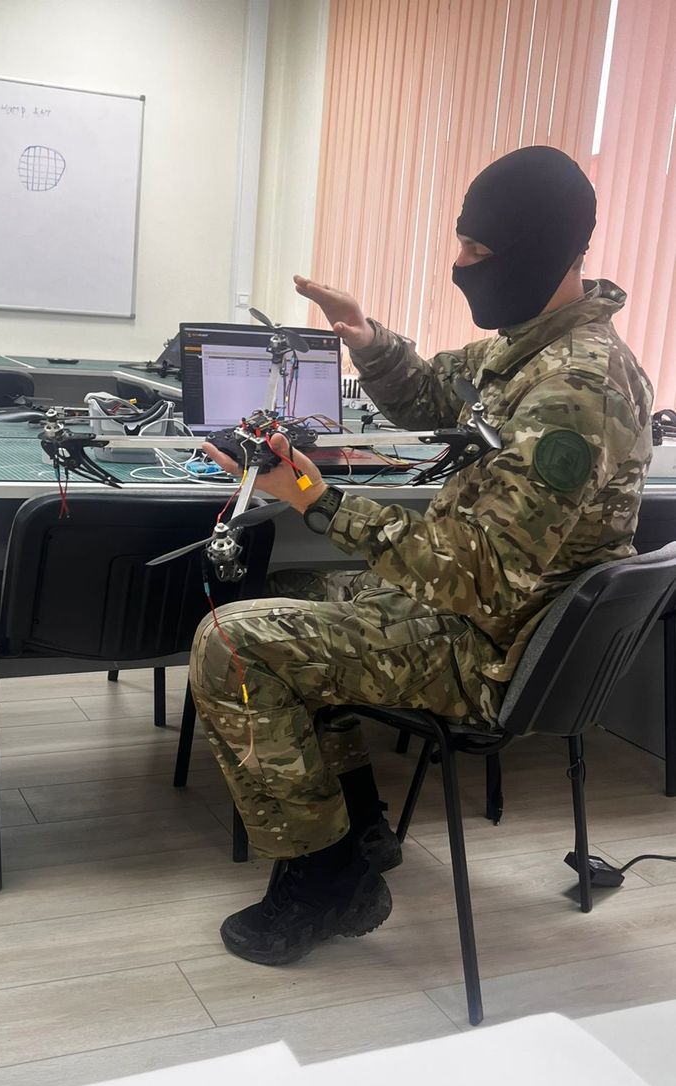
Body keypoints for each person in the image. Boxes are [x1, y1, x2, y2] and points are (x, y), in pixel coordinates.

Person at [190, 146, 653, 966]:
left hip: (492, 651)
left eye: (478, 248)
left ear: (538, 250)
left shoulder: (576, 389)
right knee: (298, 585)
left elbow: (476, 571)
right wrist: (367, 338)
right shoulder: (530, 347)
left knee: (230, 642)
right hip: (481, 618)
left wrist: (315, 496)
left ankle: (326, 879)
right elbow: (437, 393)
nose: (460, 263)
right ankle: (359, 829)